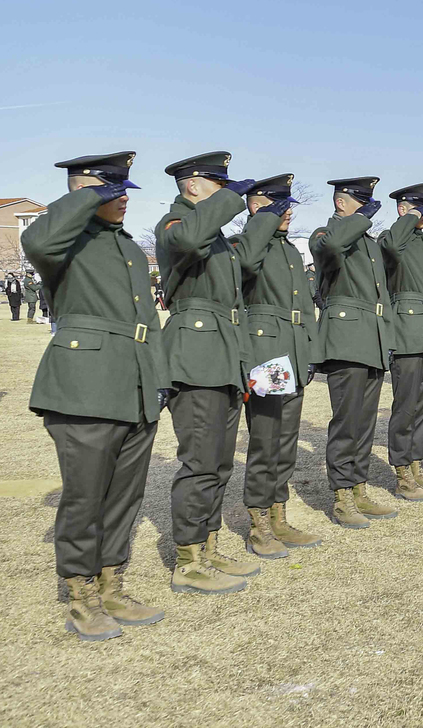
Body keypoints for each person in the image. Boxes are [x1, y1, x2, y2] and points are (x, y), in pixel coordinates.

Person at [24, 151, 168, 640]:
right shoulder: (64, 239)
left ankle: (111, 583)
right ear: (82, 193)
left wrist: (158, 377)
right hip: (84, 386)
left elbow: (144, 321)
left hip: (134, 383)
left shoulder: (125, 246)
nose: (123, 199)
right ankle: (81, 594)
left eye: (124, 190)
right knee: (86, 495)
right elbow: (36, 239)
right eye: (111, 191)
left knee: (124, 495)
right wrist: (86, 196)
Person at [155, 152, 269, 594]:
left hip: (223, 354)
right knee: (200, 461)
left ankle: (208, 543)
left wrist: (261, 215)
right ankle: (187, 559)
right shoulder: (175, 223)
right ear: (194, 186)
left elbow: (243, 266)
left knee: (219, 462)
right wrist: (231, 200)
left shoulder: (215, 233)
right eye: (219, 184)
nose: (229, 193)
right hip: (195, 354)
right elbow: (188, 242)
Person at [234, 174, 322, 559]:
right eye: (278, 206)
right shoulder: (249, 242)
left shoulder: (288, 250)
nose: (287, 213)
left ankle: (278, 513)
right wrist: (262, 221)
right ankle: (258, 523)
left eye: (288, 207)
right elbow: (246, 264)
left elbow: (304, 308)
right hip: (267, 353)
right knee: (266, 439)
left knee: (286, 439)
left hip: (293, 350)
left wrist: (311, 352)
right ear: (257, 207)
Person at [310, 176, 399, 528]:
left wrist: (387, 339)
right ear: (342, 203)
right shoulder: (325, 234)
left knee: (364, 421)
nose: (367, 210)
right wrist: (360, 220)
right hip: (346, 339)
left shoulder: (367, 242)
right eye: (361, 202)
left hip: (371, 337)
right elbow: (331, 250)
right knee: (347, 420)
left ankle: (359, 486)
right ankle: (342, 494)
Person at [380, 183, 423, 501]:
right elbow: (391, 246)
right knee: (405, 407)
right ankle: (402, 473)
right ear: (402, 210)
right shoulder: (395, 237)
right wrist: (408, 218)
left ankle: (416, 467)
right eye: (418, 208)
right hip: (406, 333)